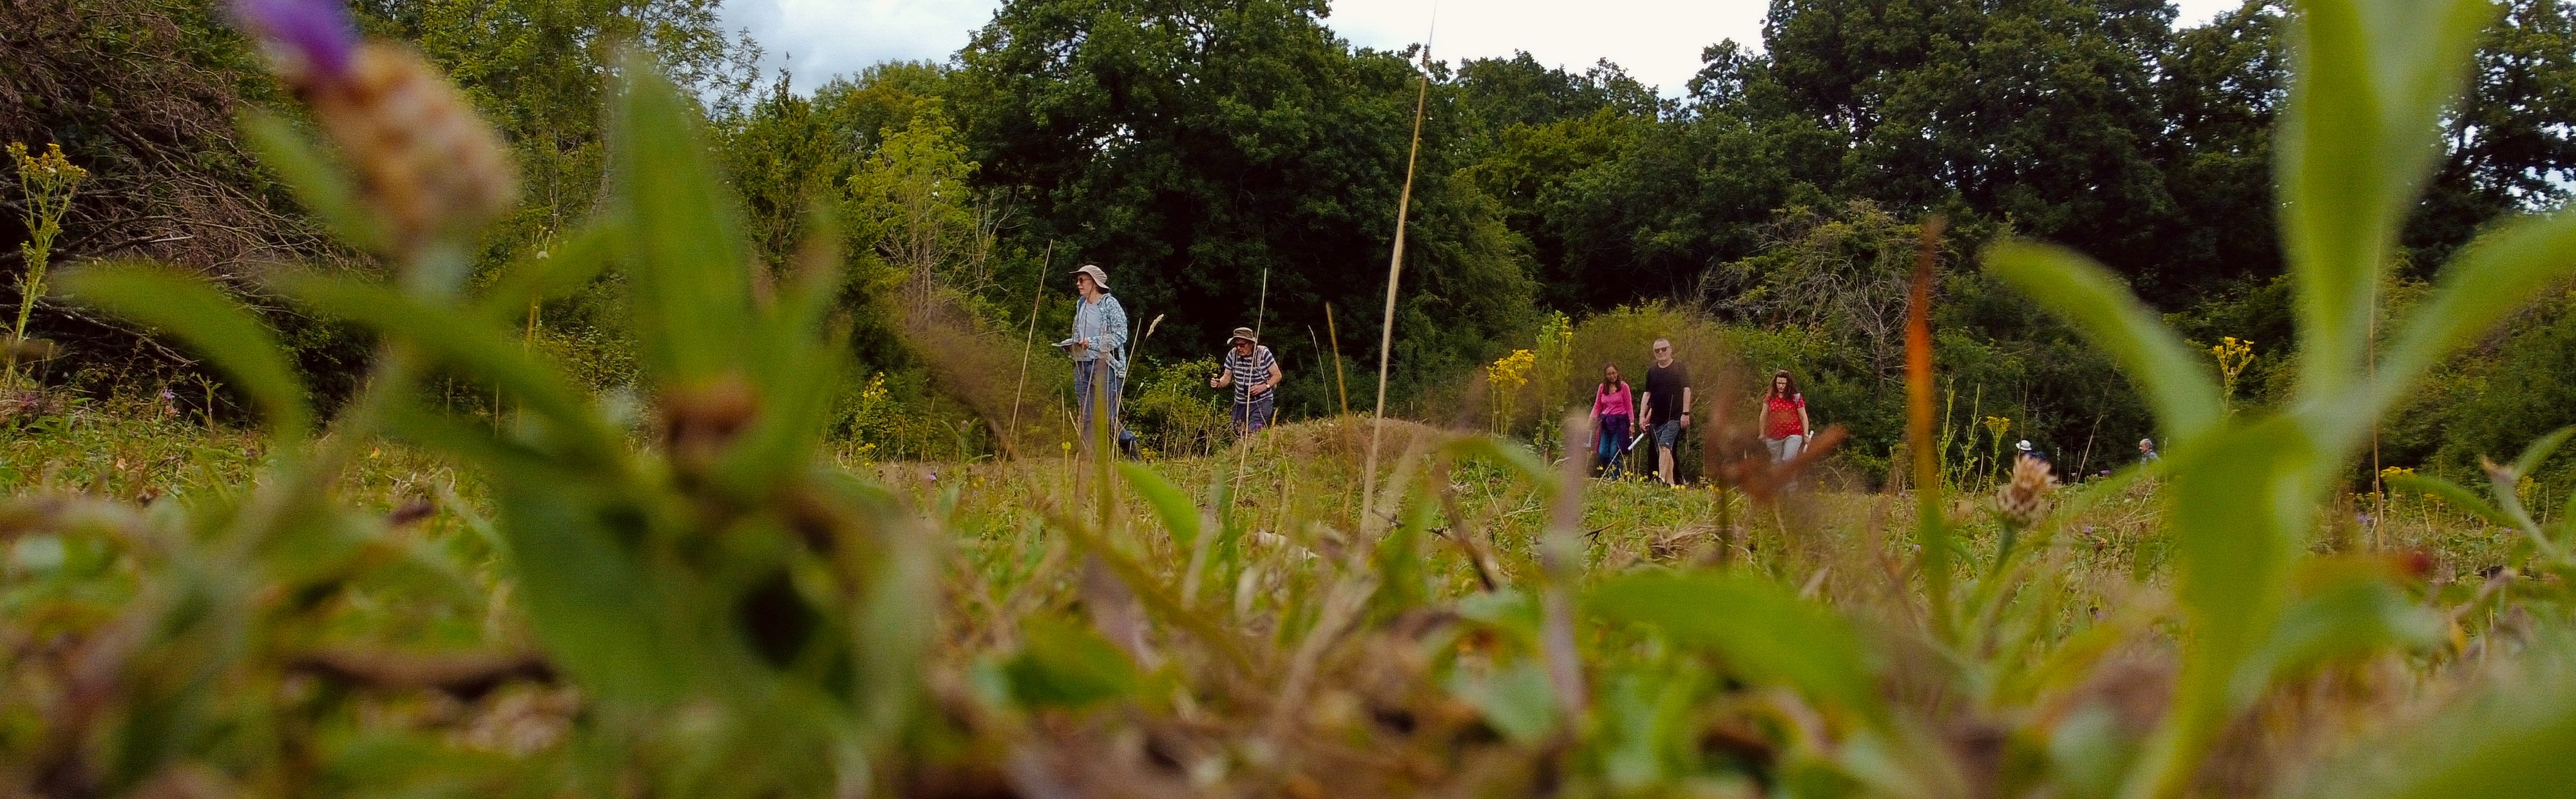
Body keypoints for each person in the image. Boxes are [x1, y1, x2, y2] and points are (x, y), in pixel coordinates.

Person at [1062, 264, 1134, 453]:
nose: (1078, 284)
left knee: (1106, 418)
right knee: (1086, 417)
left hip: (1106, 366)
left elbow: (1120, 336)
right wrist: (1073, 346)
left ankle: (1129, 447)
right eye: (1077, 280)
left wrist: (1091, 342)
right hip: (1082, 365)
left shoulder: (1110, 305)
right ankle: (1088, 461)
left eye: (1082, 280)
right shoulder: (1081, 304)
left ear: (1094, 283)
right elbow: (1079, 334)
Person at [1637, 338, 1693, 485]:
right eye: (1657, 350)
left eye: (1664, 349)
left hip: (1674, 416)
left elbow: (1686, 390)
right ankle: (1671, 483)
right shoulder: (1652, 371)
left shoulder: (1679, 368)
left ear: (1670, 350)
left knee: (1664, 446)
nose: (1661, 352)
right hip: (1656, 419)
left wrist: (1685, 413)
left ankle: (1661, 479)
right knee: (1665, 452)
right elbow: (1647, 394)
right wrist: (1642, 415)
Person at [1211, 327, 1282, 434]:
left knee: (1253, 431)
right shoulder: (1233, 355)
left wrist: (1264, 386)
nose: (1239, 348)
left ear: (1251, 344)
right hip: (1241, 402)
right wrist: (1218, 383)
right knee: (1237, 432)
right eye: (1236, 345)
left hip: (1262, 401)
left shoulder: (1263, 353)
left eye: (1242, 345)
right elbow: (1226, 378)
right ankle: (1244, 449)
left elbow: (1277, 375)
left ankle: (1256, 448)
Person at [1589, 363, 1634, 477]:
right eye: (1609, 374)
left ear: (1617, 373)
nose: (1612, 376)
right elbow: (1597, 406)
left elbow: (1629, 406)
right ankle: (1606, 473)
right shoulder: (1602, 388)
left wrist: (1632, 423)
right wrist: (1592, 418)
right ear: (1606, 375)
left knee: (1614, 452)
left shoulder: (1624, 387)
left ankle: (1615, 478)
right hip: (1606, 422)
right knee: (1602, 451)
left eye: (1613, 373)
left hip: (1620, 422)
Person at [1761, 370, 1811, 463]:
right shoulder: (1770, 398)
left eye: (1783, 384)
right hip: (1773, 436)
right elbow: (1764, 416)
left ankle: (1791, 478)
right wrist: (1762, 433)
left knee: (1788, 460)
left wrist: (1806, 435)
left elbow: (1803, 417)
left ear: (1788, 384)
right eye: (1779, 383)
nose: (1781, 386)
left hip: (1793, 434)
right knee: (1776, 464)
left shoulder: (1795, 398)